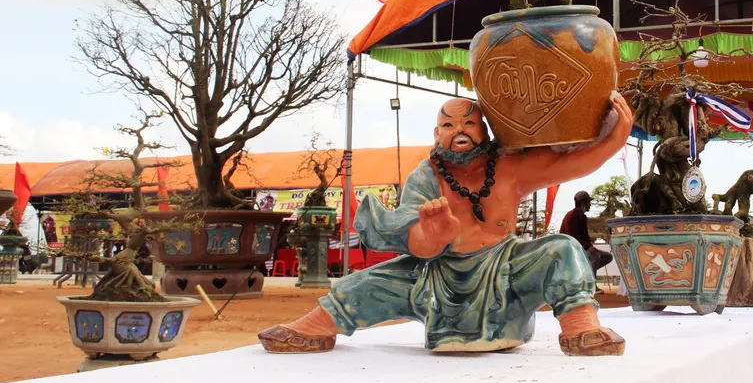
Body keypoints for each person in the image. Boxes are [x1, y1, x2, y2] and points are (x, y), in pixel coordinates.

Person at [259, 94, 633, 357]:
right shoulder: (426, 175)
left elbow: (571, 165)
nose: (460, 130)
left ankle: (581, 326)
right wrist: (431, 237)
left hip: (506, 267)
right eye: (448, 124)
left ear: (485, 131)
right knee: (366, 281)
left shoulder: (509, 166)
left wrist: (616, 137)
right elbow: (409, 231)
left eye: (469, 122)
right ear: (436, 134)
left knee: (562, 249)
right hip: (438, 272)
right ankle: (320, 324)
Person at [560, 191, 614, 274]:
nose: (590, 205)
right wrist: (588, 246)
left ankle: (585, 273)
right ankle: (591, 284)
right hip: (571, 248)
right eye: (589, 202)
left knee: (607, 256)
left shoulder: (583, 217)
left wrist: (591, 246)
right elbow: (572, 238)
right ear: (582, 203)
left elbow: (585, 237)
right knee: (594, 256)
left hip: (581, 248)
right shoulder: (571, 216)